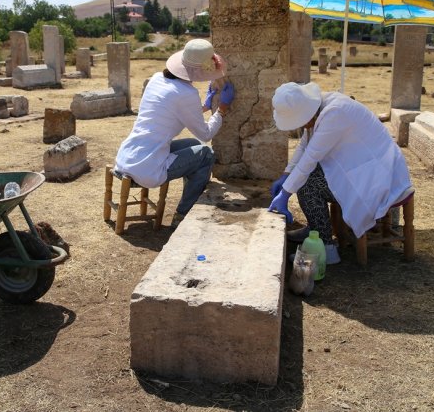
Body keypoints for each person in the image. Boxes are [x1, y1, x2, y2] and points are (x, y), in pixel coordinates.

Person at [267, 82, 413, 264]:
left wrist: (286, 193)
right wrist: (286, 174)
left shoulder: (335, 113)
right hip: (363, 166)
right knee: (305, 177)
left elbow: (310, 158)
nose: (304, 127)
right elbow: (305, 145)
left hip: (376, 177)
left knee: (307, 184)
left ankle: (326, 249)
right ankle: (316, 228)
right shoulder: (320, 106)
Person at [114, 39, 236, 225]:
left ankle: (190, 194)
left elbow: (169, 111)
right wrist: (222, 109)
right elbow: (206, 134)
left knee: (193, 145)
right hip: (147, 167)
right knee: (206, 154)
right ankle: (183, 212)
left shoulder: (156, 78)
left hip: (130, 154)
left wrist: (204, 105)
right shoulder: (187, 94)